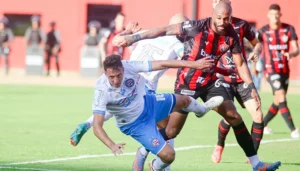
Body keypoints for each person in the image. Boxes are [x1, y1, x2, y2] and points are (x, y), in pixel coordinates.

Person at [113, 2, 281, 170]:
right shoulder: (195, 27)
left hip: (210, 80)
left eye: (226, 19)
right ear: (212, 15)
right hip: (188, 81)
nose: (222, 22)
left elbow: (241, 64)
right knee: (172, 131)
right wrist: (133, 38)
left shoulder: (231, 35)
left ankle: (256, 164)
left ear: (231, 17)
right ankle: (143, 151)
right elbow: (164, 30)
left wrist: (251, 87)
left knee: (234, 117)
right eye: (219, 18)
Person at [70, 14, 222, 171]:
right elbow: (182, 54)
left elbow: (122, 43)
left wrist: (127, 31)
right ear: (181, 29)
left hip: (143, 95)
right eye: (187, 28)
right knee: (165, 128)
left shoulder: (149, 34)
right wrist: (196, 61)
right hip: (144, 90)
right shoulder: (176, 42)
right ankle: (150, 159)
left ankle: (200, 110)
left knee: (176, 108)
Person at [93, 54, 219, 170]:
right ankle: (155, 167)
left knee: (184, 100)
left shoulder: (128, 66)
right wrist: (112, 145)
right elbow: (97, 126)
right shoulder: (101, 90)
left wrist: (194, 64)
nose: (116, 80)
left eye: (119, 75)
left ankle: (201, 110)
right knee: (169, 155)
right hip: (135, 124)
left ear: (123, 69)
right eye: (111, 77)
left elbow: (163, 64)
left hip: (148, 103)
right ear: (105, 73)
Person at [209, 0, 264, 164]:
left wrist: (255, 51)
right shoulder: (208, 25)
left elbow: (258, 43)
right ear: (214, 4)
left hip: (242, 79)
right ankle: (219, 144)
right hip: (222, 79)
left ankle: (252, 155)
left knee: (258, 115)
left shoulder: (242, 25)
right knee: (231, 116)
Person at [257, 4, 299, 138]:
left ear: (280, 15)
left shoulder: (289, 29)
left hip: (284, 70)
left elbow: (296, 49)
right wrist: (254, 65)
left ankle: (262, 125)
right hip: (270, 69)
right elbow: (256, 47)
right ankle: (293, 130)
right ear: (268, 16)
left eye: (277, 15)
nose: (274, 17)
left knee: (277, 101)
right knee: (281, 95)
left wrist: (291, 54)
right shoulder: (262, 31)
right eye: (272, 15)